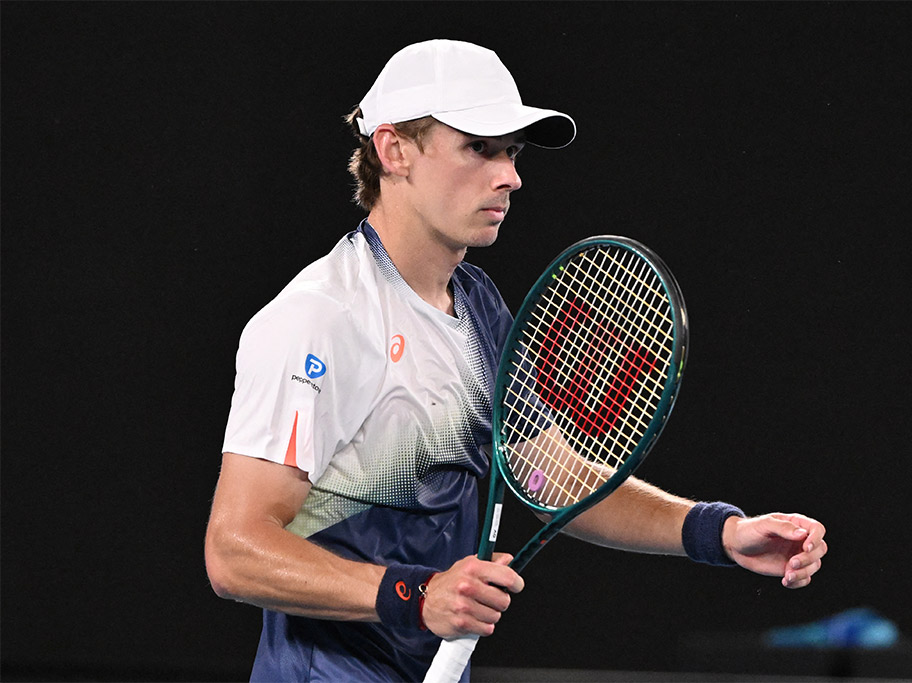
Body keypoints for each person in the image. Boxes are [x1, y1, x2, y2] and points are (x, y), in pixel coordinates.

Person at [204, 39, 827, 682]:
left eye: (512, 153)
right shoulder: (320, 318)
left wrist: (718, 533)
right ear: (394, 151)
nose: (510, 176)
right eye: (479, 147)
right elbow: (234, 551)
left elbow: (552, 478)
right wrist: (416, 596)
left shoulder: (477, 307)